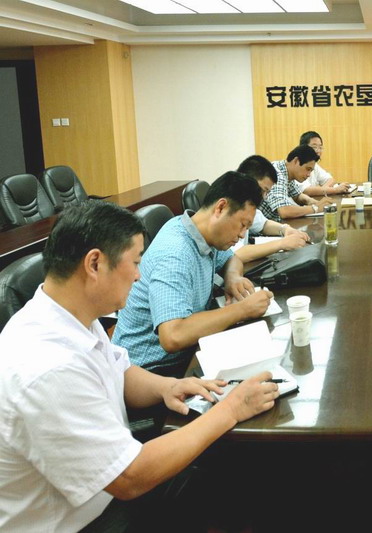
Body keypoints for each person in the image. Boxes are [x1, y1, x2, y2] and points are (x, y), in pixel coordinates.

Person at [0, 200, 280, 532]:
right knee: (234, 484)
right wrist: (231, 408)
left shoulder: (68, 312)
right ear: (94, 264)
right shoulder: (48, 368)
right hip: (83, 521)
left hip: (103, 491)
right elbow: (130, 478)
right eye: (135, 262)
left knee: (235, 470)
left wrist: (168, 387)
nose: (139, 275)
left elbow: (119, 371)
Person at [113, 171, 273, 377]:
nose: (242, 234)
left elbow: (231, 259)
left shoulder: (202, 231)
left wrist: (232, 277)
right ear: (220, 208)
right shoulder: (175, 254)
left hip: (188, 351)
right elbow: (173, 336)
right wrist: (243, 309)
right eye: (243, 225)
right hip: (152, 371)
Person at [234, 154, 310, 264]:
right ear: (247, 180)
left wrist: (285, 229)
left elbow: (263, 224)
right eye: (263, 190)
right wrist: (281, 244)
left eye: (267, 192)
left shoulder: (246, 203)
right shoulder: (230, 206)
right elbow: (236, 254)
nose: (264, 197)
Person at [260, 144, 335, 221]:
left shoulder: (286, 170)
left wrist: (313, 202)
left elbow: (297, 195)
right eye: (308, 169)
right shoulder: (277, 174)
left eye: (311, 171)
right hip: (262, 227)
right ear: (296, 161)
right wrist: (315, 208)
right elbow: (284, 211)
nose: (309, 175)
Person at [296, 131, 350, 196]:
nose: (318, 151)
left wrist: (323, 190)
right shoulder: (297, 164)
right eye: (314, 147)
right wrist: (335, 190)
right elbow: (306, 191)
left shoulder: (314, 165)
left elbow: (330, 180)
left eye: (320, 147)